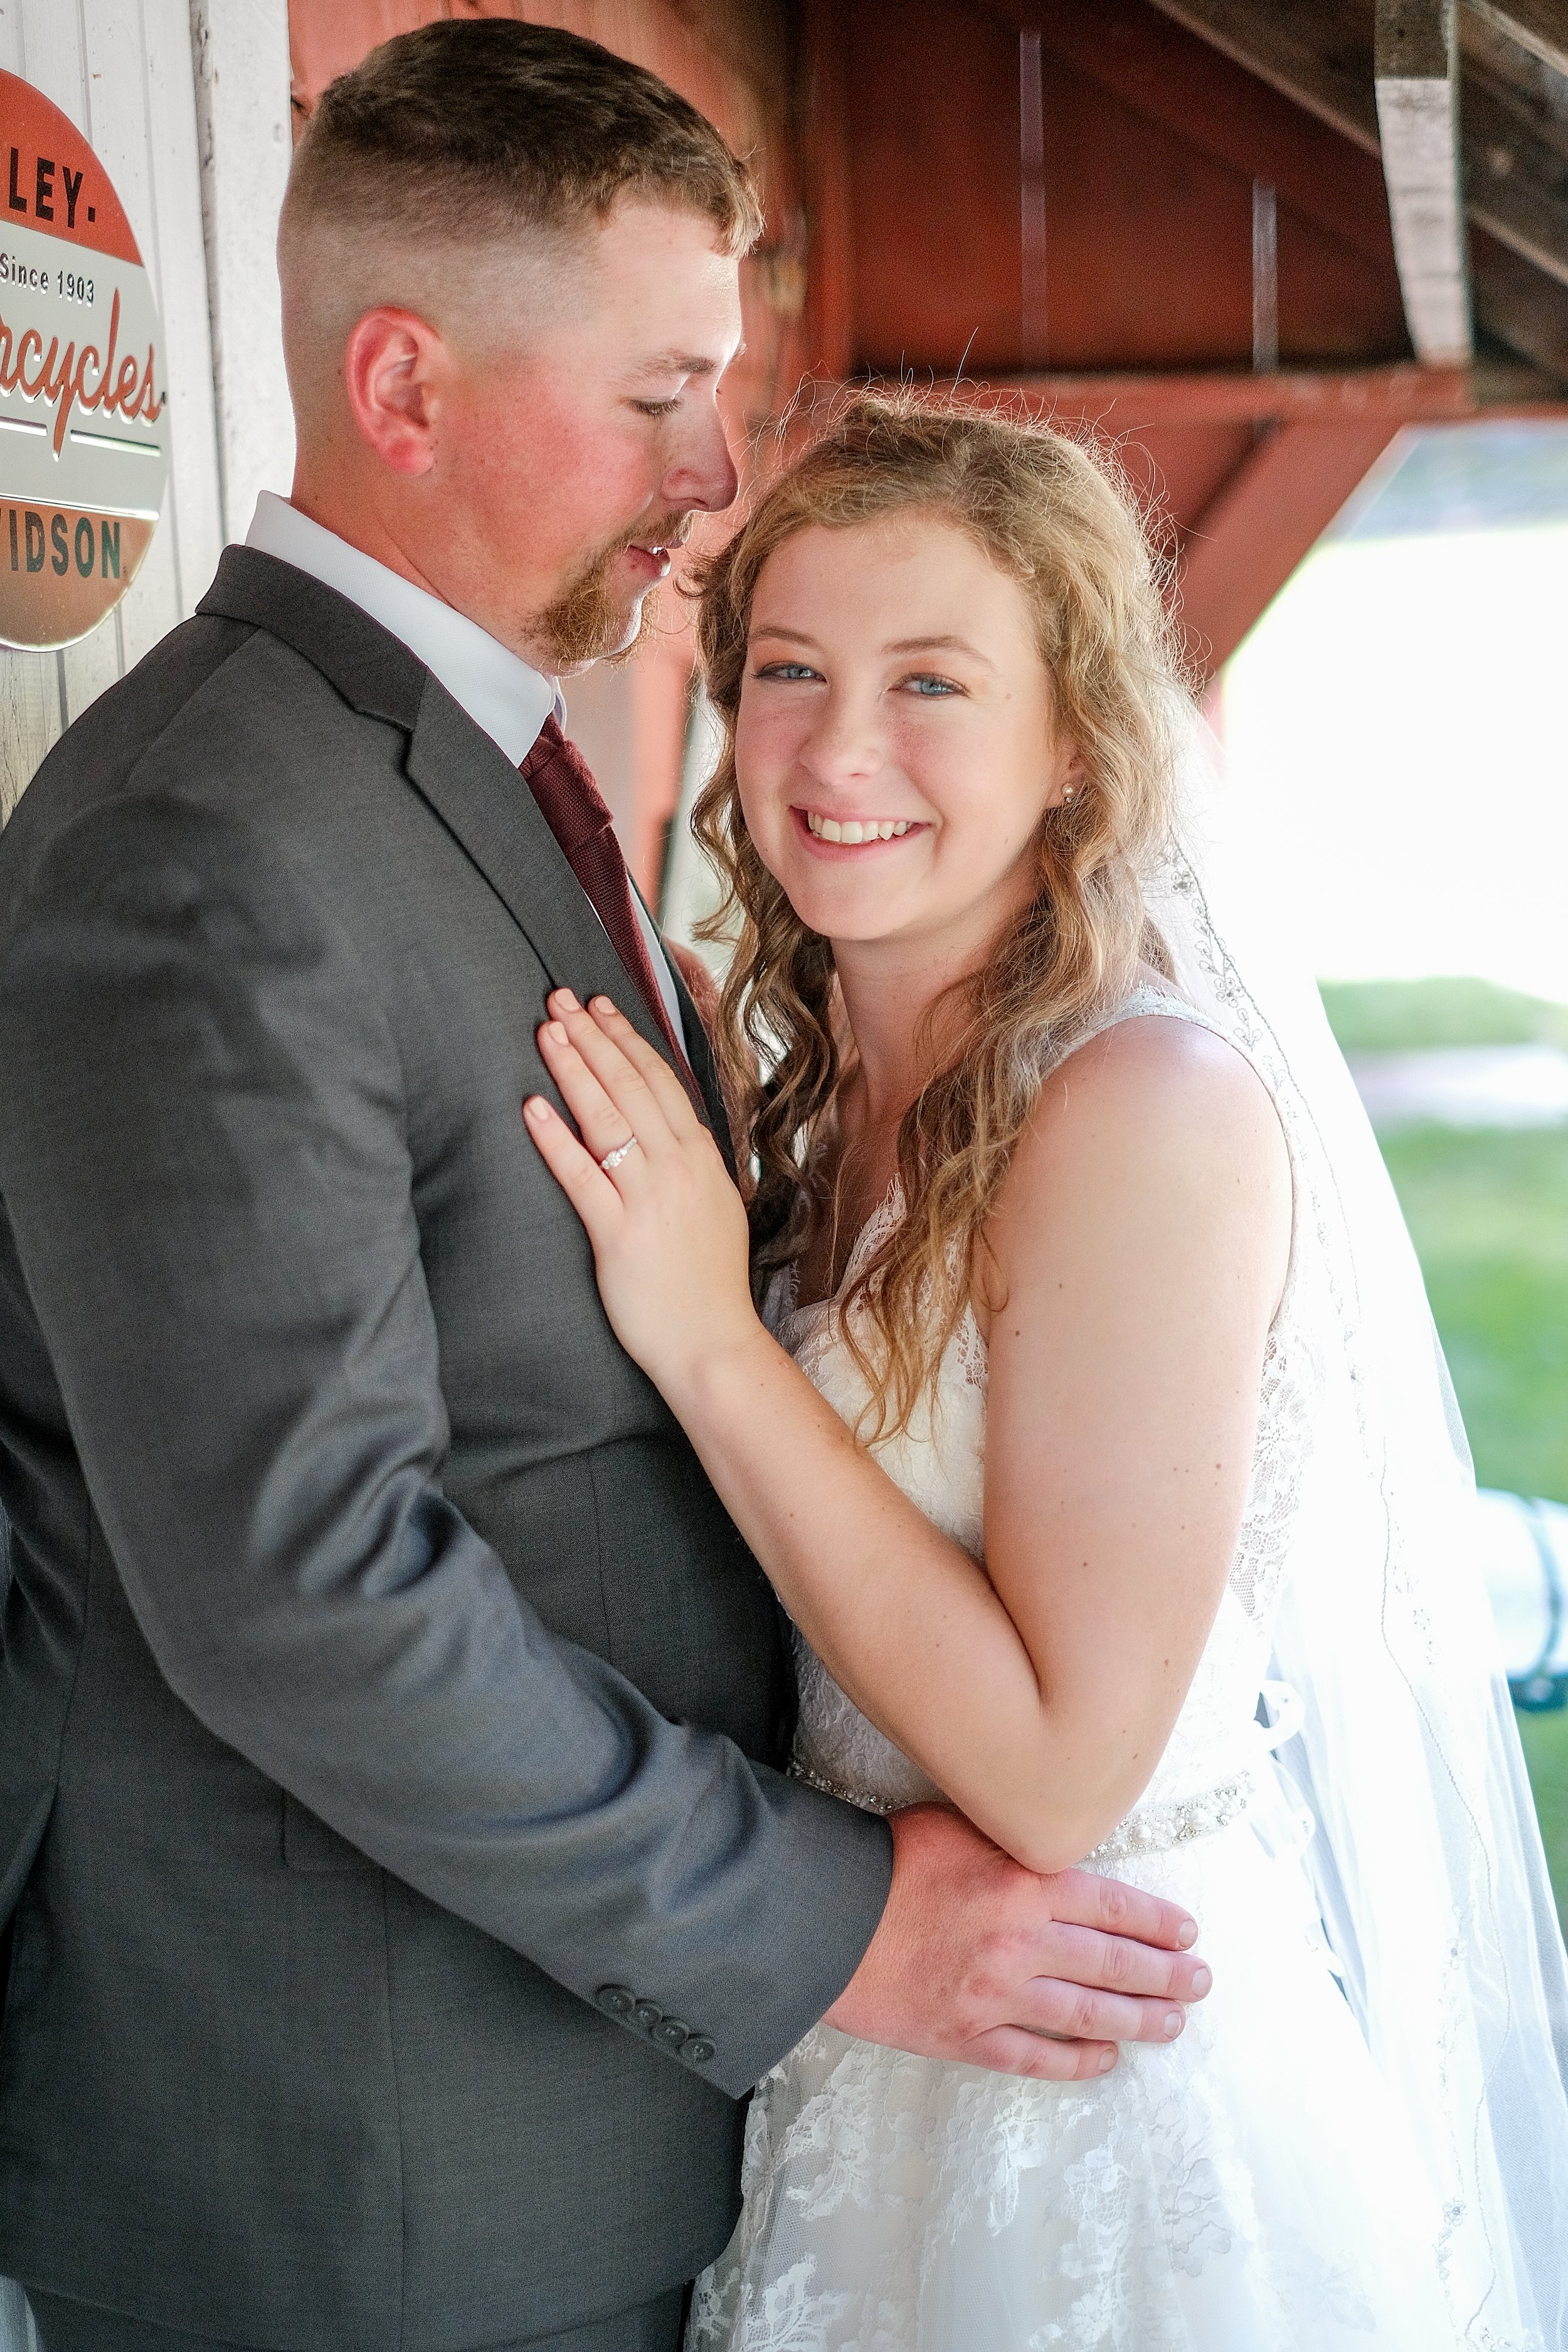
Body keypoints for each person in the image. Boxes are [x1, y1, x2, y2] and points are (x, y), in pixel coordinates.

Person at [0, 28, 1209, 2352]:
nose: (717, 472)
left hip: (575, 2106)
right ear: (404, 381)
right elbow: (303, 1584)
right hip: (364, 2154)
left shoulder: (466, 766)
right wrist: (836, 1927)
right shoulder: (209, 850)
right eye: (659, 395)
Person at [526, 391, 1568, 2348]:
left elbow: (1060, 1767)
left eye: (933, 683)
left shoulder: (1138, 1107)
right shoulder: (814, 1101)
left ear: (1074, 746)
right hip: (865, 2051)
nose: (838, 749)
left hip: (1102, 2089)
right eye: (788, 672)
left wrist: (700, 1333)